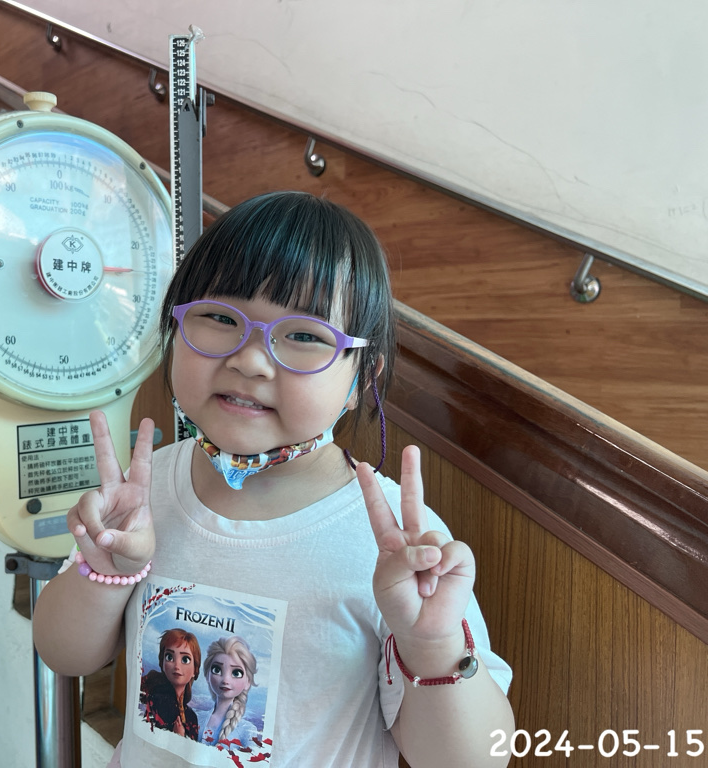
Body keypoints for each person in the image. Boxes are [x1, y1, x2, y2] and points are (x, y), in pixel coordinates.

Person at [34, 191, 514, 767]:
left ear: (362, 377)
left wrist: (431, 645)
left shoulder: (394, 545)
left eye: (304, 335)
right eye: (220, 318)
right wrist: (106, 570)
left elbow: (472, 759)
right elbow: (64, 654)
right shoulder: (145, 494)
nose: (251, 360)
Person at [139, 628, 202, 740]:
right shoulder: (152, 699)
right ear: (162, 663)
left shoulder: (191, 717)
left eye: (185, 659)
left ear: (195, 670)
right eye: (169, 657)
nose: (177, 666)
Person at [198, 636, 258, 748]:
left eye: (236, 673)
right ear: (207, 675)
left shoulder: (247, 730)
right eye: (217, 670)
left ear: (248, 682)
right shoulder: (196, 718)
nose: (225, 680)